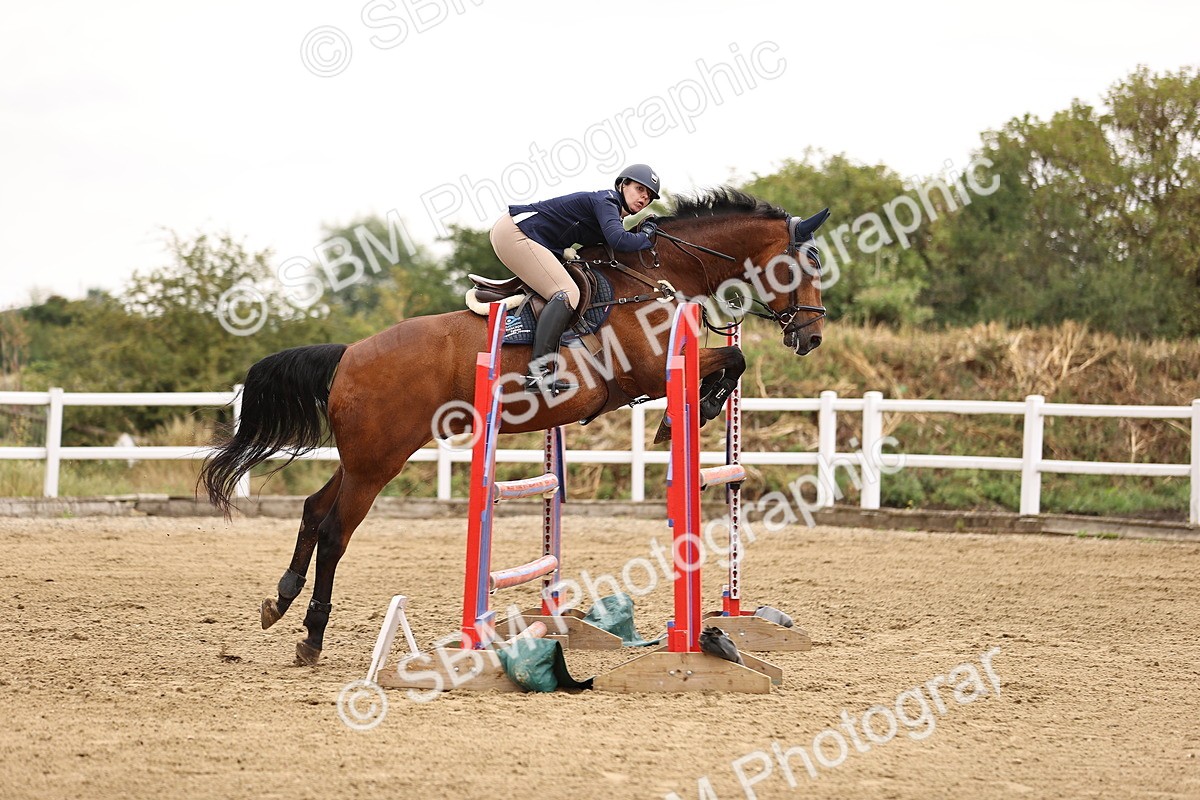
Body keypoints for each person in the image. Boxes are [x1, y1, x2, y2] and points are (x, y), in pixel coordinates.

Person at [490, 164, 662, 393]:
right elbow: (620, 241)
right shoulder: (607, 201)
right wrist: (647, 236)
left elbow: (614, 246)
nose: (643, 197)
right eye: (640, 188)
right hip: (516, 232)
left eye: (648, 196)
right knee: (568, 293)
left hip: (520, 233)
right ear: (623, 185)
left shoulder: (611, 213)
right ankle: (536, 374)